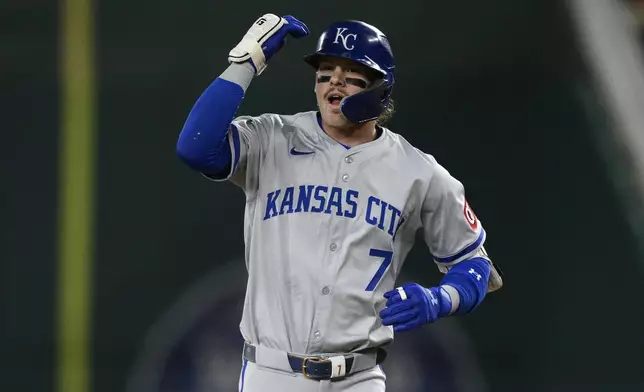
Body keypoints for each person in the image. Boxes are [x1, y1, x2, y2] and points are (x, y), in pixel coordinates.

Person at [176, 14, 503, 392]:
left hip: (358, 378)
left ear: (381, 87)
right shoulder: (272, 138)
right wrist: (246, 62)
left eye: (350, 73)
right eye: (325, 70)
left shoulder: (418, 172)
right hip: (272, 374)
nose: (334, 80)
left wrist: (439, 299)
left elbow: (475, 265)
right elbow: (196, 148)